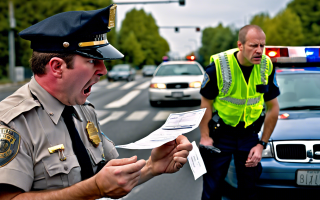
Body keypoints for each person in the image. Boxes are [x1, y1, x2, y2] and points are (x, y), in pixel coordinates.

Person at [0, 4, 192, 199]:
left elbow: (106, 176)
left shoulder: (82, 109)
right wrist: (94, 189)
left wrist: (152, 166)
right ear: (57, 66)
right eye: (92, 61)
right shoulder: (12, 122)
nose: (103, 70)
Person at [199, 25, 280, 200]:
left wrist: (262, 144)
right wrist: (205, 136)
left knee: (249, 189)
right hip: (221, 134)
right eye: (253, 46)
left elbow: (273, 108)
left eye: (262, 46)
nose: (259, 51)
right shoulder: (218, 68)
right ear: (240, 45)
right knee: (213, 188)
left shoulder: (266, 66)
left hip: (249, 136)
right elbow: (206, 103)